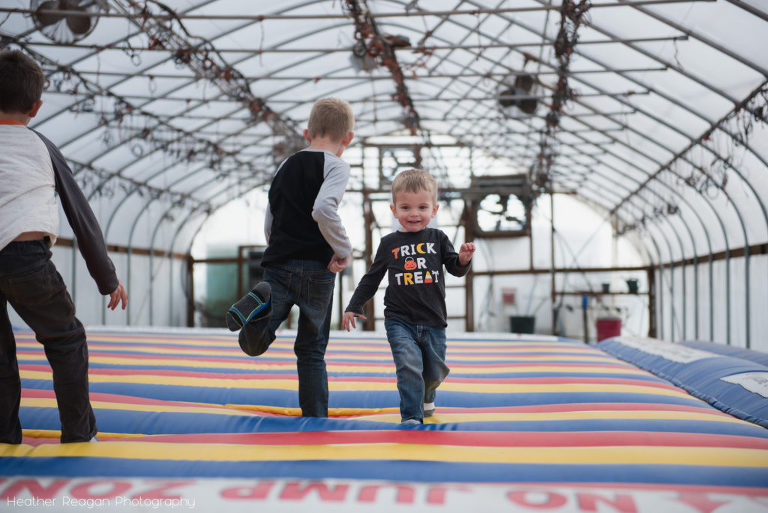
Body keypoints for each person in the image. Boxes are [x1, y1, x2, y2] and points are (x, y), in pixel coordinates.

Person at [0, 49, 128, 444]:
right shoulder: (40, 145)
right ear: (36, 107)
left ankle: (5, 436)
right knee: (66, 339)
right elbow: (81, 217)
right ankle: (78, 433)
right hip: (25, 259)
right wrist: (107, 279)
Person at [226, 98, 355, 417]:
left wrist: (278, 248)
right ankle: (315, 420)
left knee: (254, 345)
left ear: (306, 132)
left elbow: (271, 217)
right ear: (348, 139)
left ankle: (261, 303)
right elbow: (323, 209)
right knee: (311, 350)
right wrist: (344, 250)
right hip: (318, 270)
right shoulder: (337, 165)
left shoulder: (286, 165)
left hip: (278, 266)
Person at [342, 168, 475, 425]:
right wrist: (354, 304)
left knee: (434, 370)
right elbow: (372, 277)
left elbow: (455, 269)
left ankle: (427, 394)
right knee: (408, 366)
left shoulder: (438, 238)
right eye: (406, 207)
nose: (414, 214)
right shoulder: (389, 243)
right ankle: (411, 416)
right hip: (399, 319)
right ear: (394, 210)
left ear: (434, 210)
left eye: (422, 207)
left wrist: (462, 260)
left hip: (434, 320)